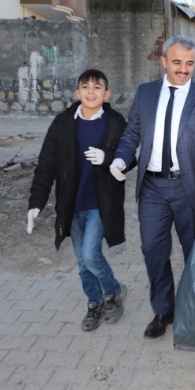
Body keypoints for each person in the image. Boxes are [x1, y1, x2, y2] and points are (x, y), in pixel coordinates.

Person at [110, 36, 195, 339]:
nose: (183, 69)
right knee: (153, 251)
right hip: (153, 187)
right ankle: (163, 310)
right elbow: (132, 132)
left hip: (190, 188)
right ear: (163, 61)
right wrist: (121, 160)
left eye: (189, 63)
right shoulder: (146, 94)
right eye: (177, 62)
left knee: (194, 254)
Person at [28, 69, 129, 332]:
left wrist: (108, 159)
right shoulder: (63, 123)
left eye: (97, 87)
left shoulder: (115, 122)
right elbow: (46, 165)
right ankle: (94, 304)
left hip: (99, 203)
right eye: (85, 87)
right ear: (77, 93)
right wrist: (36, 202)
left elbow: (129, 155)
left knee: (90, 255)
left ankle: (113, 292)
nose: (91, 92)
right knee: (83, 263)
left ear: (106, 94)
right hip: (71, 205)